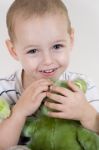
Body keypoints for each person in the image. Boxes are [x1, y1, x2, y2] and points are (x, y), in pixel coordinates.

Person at [0, 0, 99, 149]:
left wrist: (86, 114)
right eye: (33, 51)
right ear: (14, 50)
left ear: (70, 40)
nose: (47, 61)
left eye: (57, 46)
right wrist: (18, 113)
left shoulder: (81, 87)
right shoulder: (5, 90)